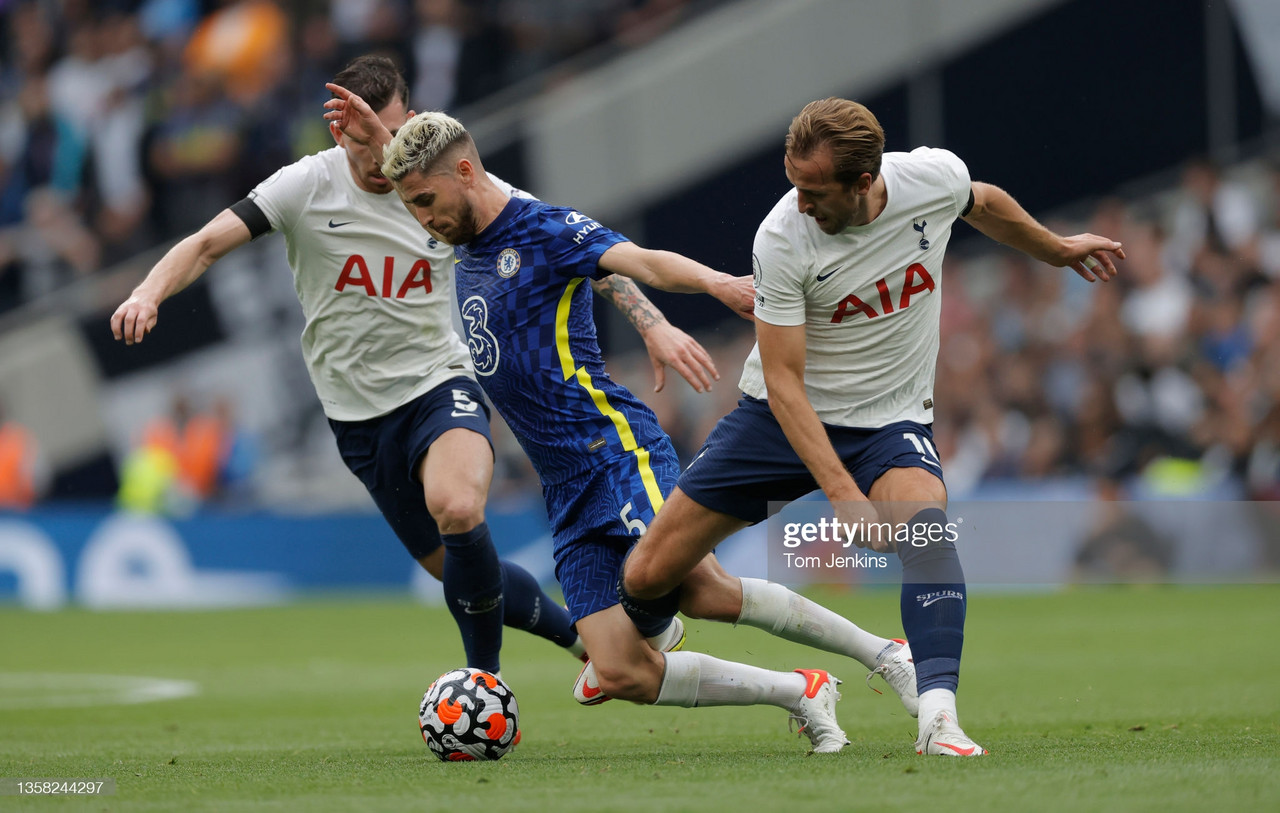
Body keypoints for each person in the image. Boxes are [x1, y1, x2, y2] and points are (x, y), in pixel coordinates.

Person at [324, 86, 925, 755]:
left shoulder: (542, 229)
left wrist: (713, 286)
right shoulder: (457, 229)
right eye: (410, 206)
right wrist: (382, 141)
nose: (422, 219)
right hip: (566, 488)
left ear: (466, 174)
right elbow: (421, 168)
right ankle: (801, 691)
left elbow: (638, 261)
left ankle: (884, 651)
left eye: (426, 203)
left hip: (614, 451)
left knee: (702, 588)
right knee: (619, 669)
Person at [110, 56, 715, 678]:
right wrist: (147, 293)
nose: (380, 151)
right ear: (338, 132)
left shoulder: (449, 184)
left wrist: (654, 323)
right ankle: (579, 640)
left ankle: (484, 683)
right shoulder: (304, 186)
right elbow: (205, 243)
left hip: (440, 382)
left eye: (390, 131)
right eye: (363, 136)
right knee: (448, 567)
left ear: (414, 122)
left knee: (458, 506)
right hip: (355, 414)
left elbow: (575, 246)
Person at [619, 97, 1125, 757]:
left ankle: (938, 718)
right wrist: (843, 494)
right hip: (778, 418)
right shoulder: (781, 238)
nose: (800, 201)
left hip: (889, 418)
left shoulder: (928, 179)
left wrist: (1055, 249)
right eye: (793, 183)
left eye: (813, 190)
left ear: (865, 182)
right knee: (648, 577)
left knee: (926, 532)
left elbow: (982, 200)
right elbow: (784, 382)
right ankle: (652, 649)